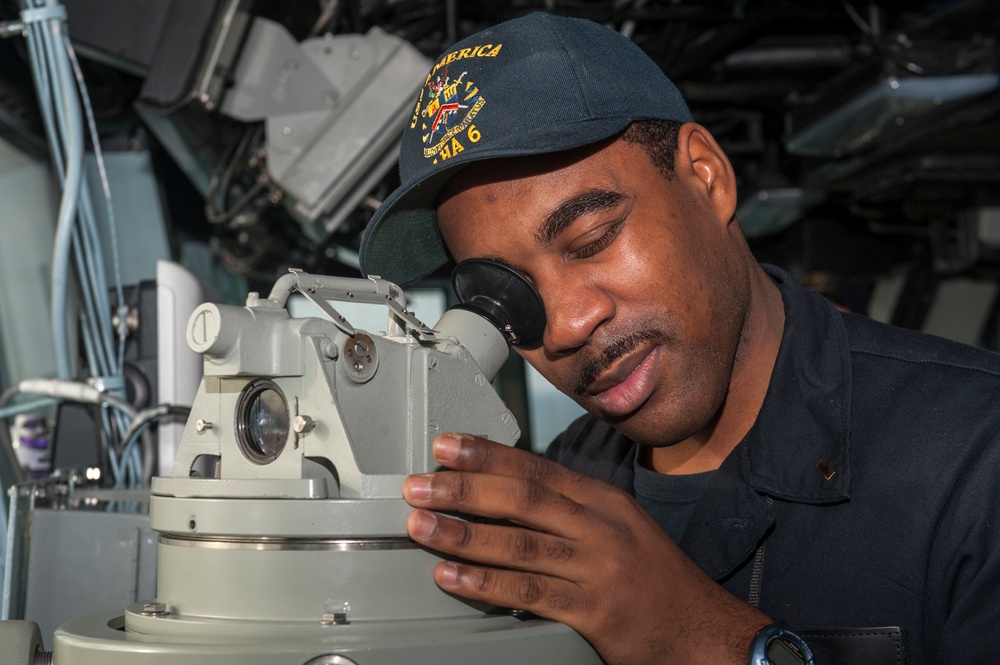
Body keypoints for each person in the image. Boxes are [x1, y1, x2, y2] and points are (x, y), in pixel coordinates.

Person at [359, 12, 1000, 665]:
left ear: (707, 175)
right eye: (509, 294)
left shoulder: (975, 459)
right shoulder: (556, 489)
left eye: (593, 240)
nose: (566, 325)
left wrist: (701, 637)